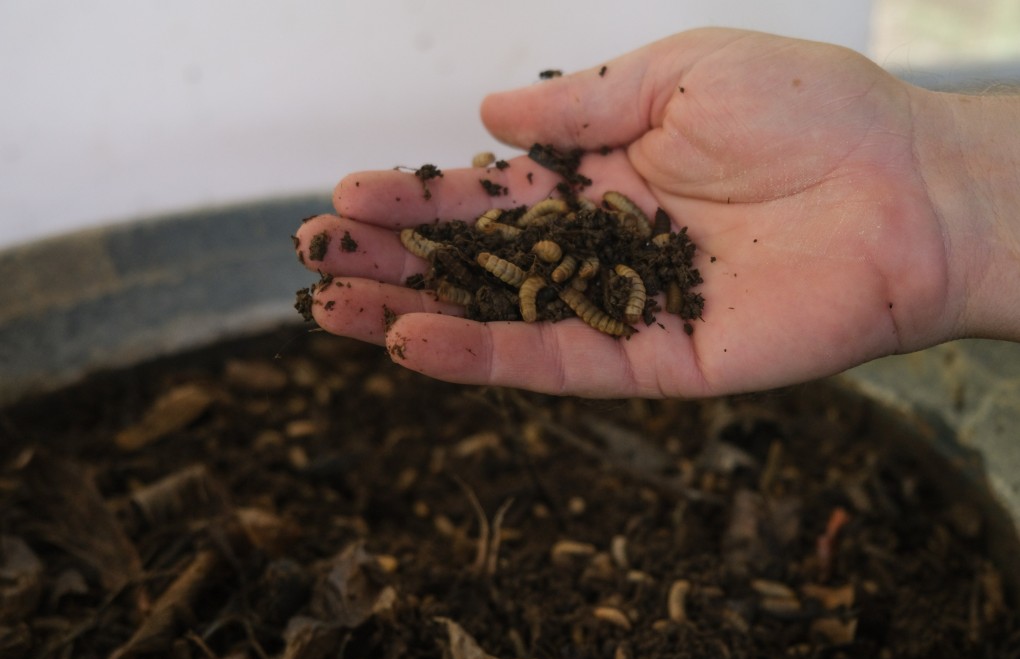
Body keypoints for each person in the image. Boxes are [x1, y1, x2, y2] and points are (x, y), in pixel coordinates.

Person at [294, 27, 1019, 398]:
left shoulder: (596, 252)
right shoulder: (582, 252)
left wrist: (947, 179)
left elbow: (564, 267)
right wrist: (953, 183)